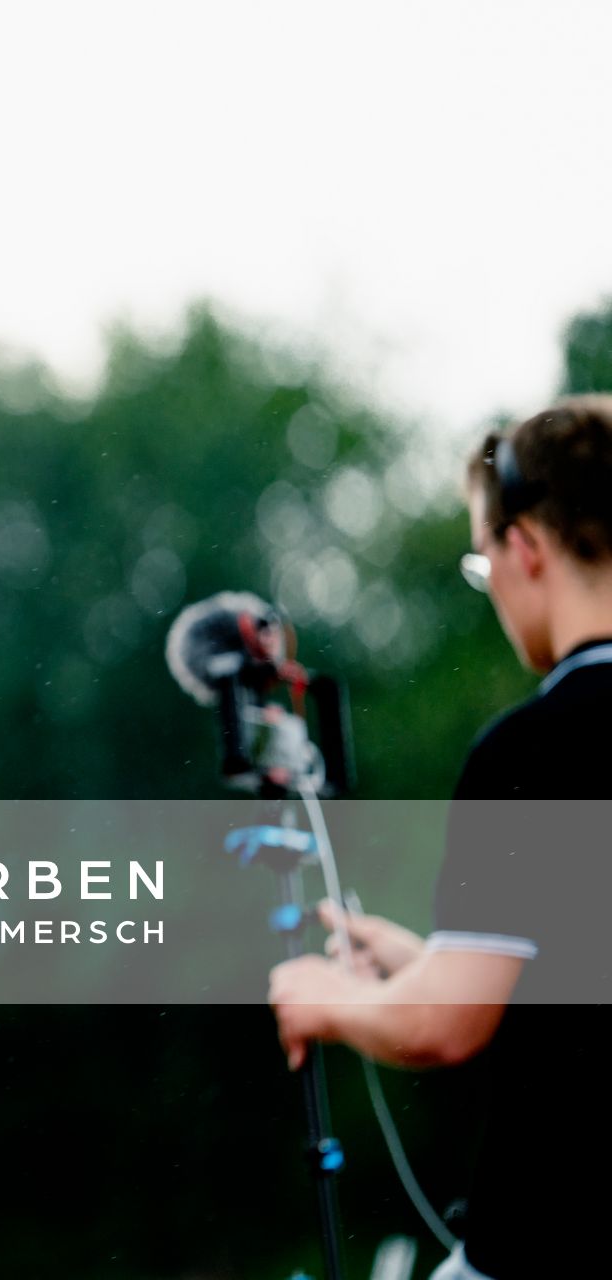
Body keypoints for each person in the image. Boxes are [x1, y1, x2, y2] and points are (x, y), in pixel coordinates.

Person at [269, 396, 612, 1279]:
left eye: (481, 558)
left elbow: (443, 1028)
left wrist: (323, 1000)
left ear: (523, 548)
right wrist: (427, 958)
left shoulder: (536, 747)